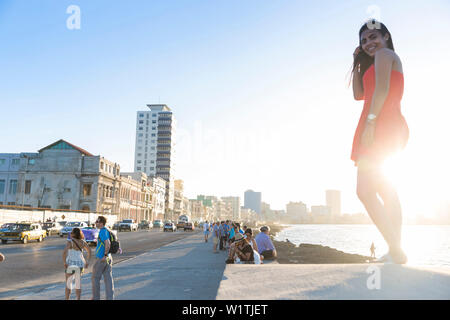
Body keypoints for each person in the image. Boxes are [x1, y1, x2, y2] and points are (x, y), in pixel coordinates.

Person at [351, 20, 408, 264]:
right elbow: (357, 94)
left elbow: (383, 90)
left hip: (383, 123)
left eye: (373, 37)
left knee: (371, 190)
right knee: (376, 190)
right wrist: (356, 63)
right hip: (374, 122)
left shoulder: (386, 54)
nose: (369, 43)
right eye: (364, 41)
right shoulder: (371, 63)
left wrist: (371, 124)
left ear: (385, 36)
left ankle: (396, 249)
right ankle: (395, 249)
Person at [62, 227, 91, 300]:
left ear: (73, 234)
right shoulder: (83, 242)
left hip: (70, 264)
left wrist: (64, 262)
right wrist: (87, 261)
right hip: (80, 265)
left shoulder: (70, 242)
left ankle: (67, 299)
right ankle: (78, 298)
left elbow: (64, 252)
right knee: (78, 284)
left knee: (68, 284)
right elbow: (89, 251)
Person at [92, 216, 115, 300]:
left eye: (97, 221)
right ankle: (110, 298)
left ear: (101, 223)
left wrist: (104, 255)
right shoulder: (107, 230)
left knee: (95, 278)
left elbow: (107, 243)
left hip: (102, 259)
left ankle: (96, 297)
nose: (95, 223)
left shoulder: (102, 231)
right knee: (108, 278)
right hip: (109, 258)